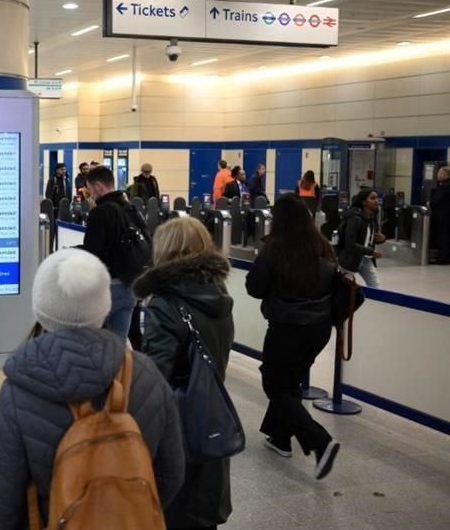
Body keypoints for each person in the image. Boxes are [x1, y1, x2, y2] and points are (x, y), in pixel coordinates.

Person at [0, 248, 185, 530]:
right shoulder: (147, 374)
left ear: (40, 308)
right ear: (104, 304)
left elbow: (2, 498)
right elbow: (172, 472)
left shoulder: (18, 392)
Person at [133, 216, 235, 529]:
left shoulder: (166, 305)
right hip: (209, 420)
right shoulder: (218, 295)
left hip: (175, 432)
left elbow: (154, 378)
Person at [246, 194, 342, 480]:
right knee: (290, 381)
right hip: (319, 329)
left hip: (287, 327)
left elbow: (255, 288)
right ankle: (279, 437)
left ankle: (318, 441)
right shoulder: (323, 247)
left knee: (275, 384)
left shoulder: (275, 248)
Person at [82, 166, 149, 340]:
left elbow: (92, 254)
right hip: (131, 286)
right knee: (118, 343)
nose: (90, 194)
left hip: (108, 287)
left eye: (89, 189)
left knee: (93, 341)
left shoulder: (100, 212)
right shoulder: (131, 208)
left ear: (98, 186)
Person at [337, 190, 383, 288]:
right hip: (349, 260)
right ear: (363, 202)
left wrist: (381, 239)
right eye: (372, 198)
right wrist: (371, 251)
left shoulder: (372, 217)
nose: (376, 201)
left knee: (377, 288)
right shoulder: (355, 218)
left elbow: (370, 238)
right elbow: (350, 244)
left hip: (365, 259)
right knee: (343, 290)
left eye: (377, 198)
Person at [429, 166, 450, 265]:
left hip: (442, 216)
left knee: (443, 236)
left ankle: (443, 258)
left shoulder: (442, 187)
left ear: (445, 175)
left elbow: (436, 202)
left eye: (439, 173)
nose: (437, 175)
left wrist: (429, 203)